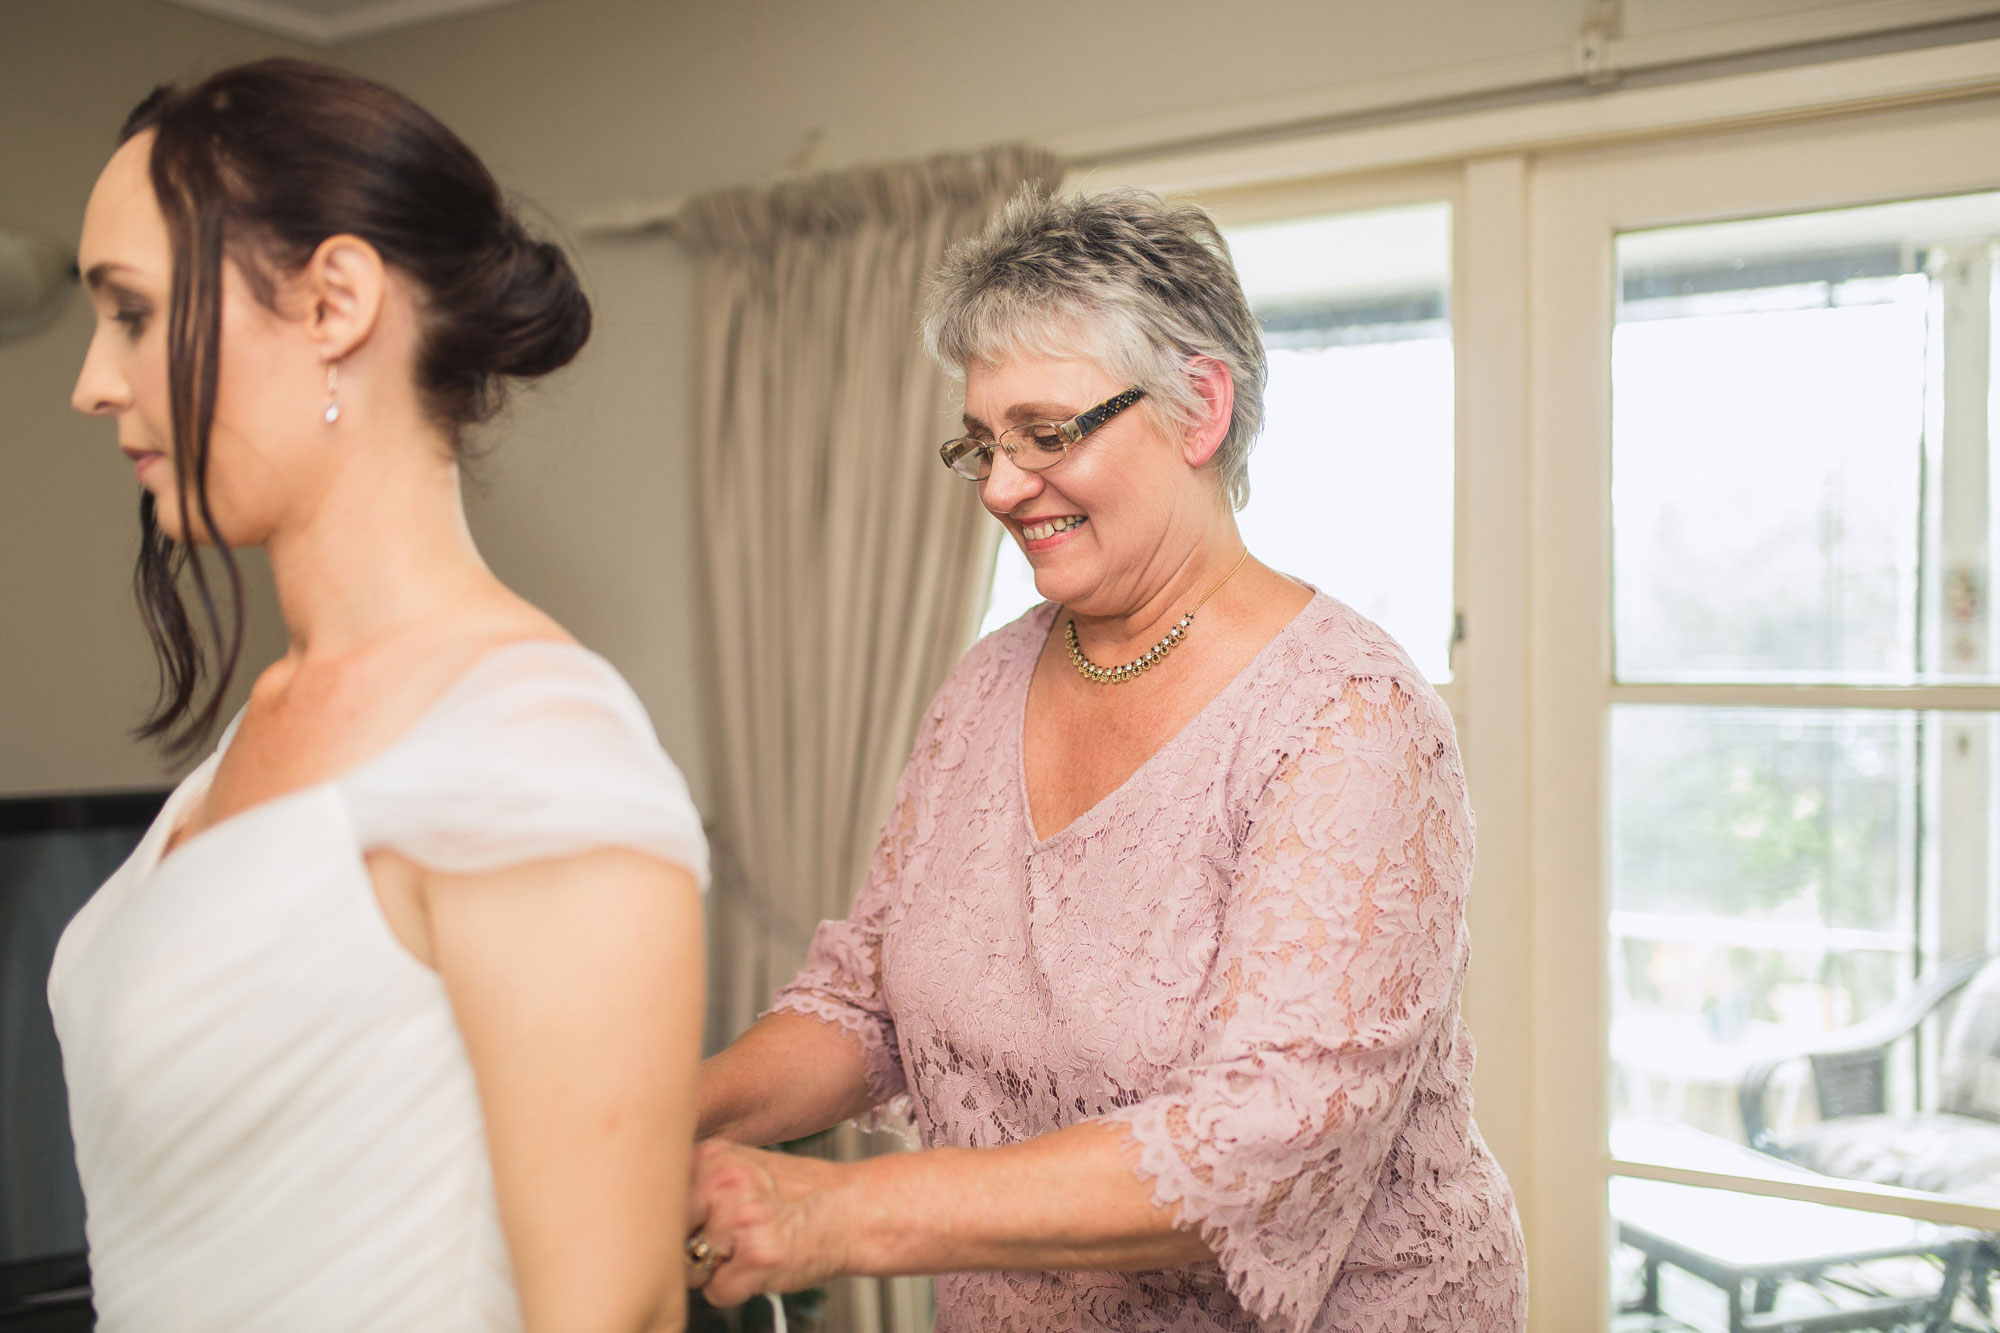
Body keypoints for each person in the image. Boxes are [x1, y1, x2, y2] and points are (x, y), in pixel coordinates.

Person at [685, 189, 1528, 1332]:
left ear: (1197, 410)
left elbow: (1257, 1138)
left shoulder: (1349, 716)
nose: (997, 485)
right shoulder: (986, 683)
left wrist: (839, 1211)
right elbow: (865, 997)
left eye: (1045, 433)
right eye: (980, 443)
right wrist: (668, 1121)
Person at [51, 59, 706, 1333]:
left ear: (336, 300)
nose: (92, 380)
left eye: (131, 313)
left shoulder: (533, 753)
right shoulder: (264, 722)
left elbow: (610, 1314)